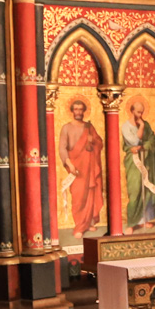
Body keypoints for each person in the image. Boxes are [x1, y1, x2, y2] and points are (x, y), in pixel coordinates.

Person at [59, 97, 105, 236]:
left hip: (89, 167)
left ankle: (88, 222)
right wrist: (69, 164)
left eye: (81, 109)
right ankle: (79, 226)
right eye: (76, 109)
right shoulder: (66, 128)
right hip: (76, 167)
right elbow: (62, 148)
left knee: (90, 193)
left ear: (84, 111)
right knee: (78, 197)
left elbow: (100, 143)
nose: (78, 112)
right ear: (72, 111)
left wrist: (93, 141)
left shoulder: (89, 127)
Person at [122, 97, 155, 229]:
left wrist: (145, 146)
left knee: (146, 190)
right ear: (132, 111)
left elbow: (152, 140)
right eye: (138, 112)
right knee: (135, 191)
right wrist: (141, 127)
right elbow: (134, 142)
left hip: (146, 161)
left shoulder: (146, 125)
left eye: (142, 112)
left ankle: (144, 219)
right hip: (133, 162)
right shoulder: (126, 126)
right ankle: (132, 223)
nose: (140, 115)